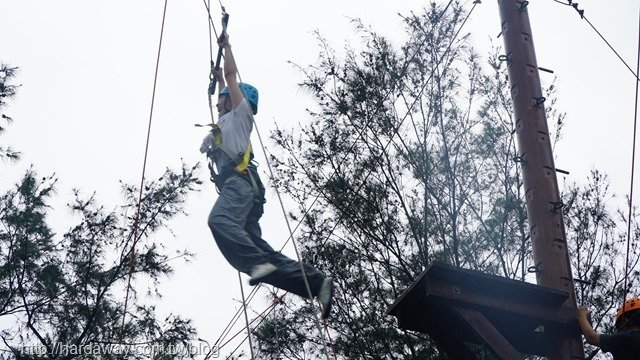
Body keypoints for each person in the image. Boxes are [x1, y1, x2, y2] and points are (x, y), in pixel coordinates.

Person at [199, 34, 334, 319]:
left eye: (223, 99)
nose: (218, 103)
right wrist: (218, 80)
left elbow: (231, 75)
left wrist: (227, 49)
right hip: (244, 193)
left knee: (220, 221)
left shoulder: (241, 115)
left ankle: (258, 263)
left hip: (240, 186)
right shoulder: (225, 122)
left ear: (234, 101)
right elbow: (223, 86)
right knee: (261, 253)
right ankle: (316, 283)